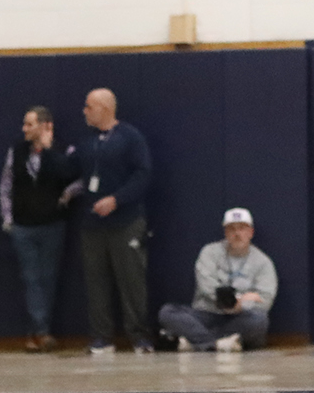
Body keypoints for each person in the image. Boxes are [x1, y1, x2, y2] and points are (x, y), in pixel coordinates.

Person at [73, 88, 151, 356]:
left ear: (105, 108)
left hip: (125, 221)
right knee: (96, 283)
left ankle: (139, 337)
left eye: (89, 106)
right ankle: (101, 337)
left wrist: (117, 200)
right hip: (93, 226)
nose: (85, 111)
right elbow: (73, 171)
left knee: (131, 281)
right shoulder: (86, 141)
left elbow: (143, 175)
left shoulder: (130, 137)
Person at [0, 103, 77, 351]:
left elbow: (78, 177)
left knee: (48, 279)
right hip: (23, 226)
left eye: (29, 124)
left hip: (52, 224)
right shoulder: (17, 150)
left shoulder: (66, 150)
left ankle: (36, 332)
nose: (24, 129)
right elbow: (6, 185)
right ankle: (42, 331)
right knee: (31, 278)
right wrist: (8, 218)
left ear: (45, 126)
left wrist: (68, 193)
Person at [158, 208, 276, 352]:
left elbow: (265, 299)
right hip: (206, 314)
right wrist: (237, 299)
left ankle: (197, 342)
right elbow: (206, 286)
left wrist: (242, 306)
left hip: (238, 318)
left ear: (251, 232)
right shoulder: (209, 252)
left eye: (242, 228)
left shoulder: (263, 262)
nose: (237, 234)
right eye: (231, 229)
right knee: (167, 312)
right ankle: (218, 344)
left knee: (259, 320)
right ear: (225, 232)